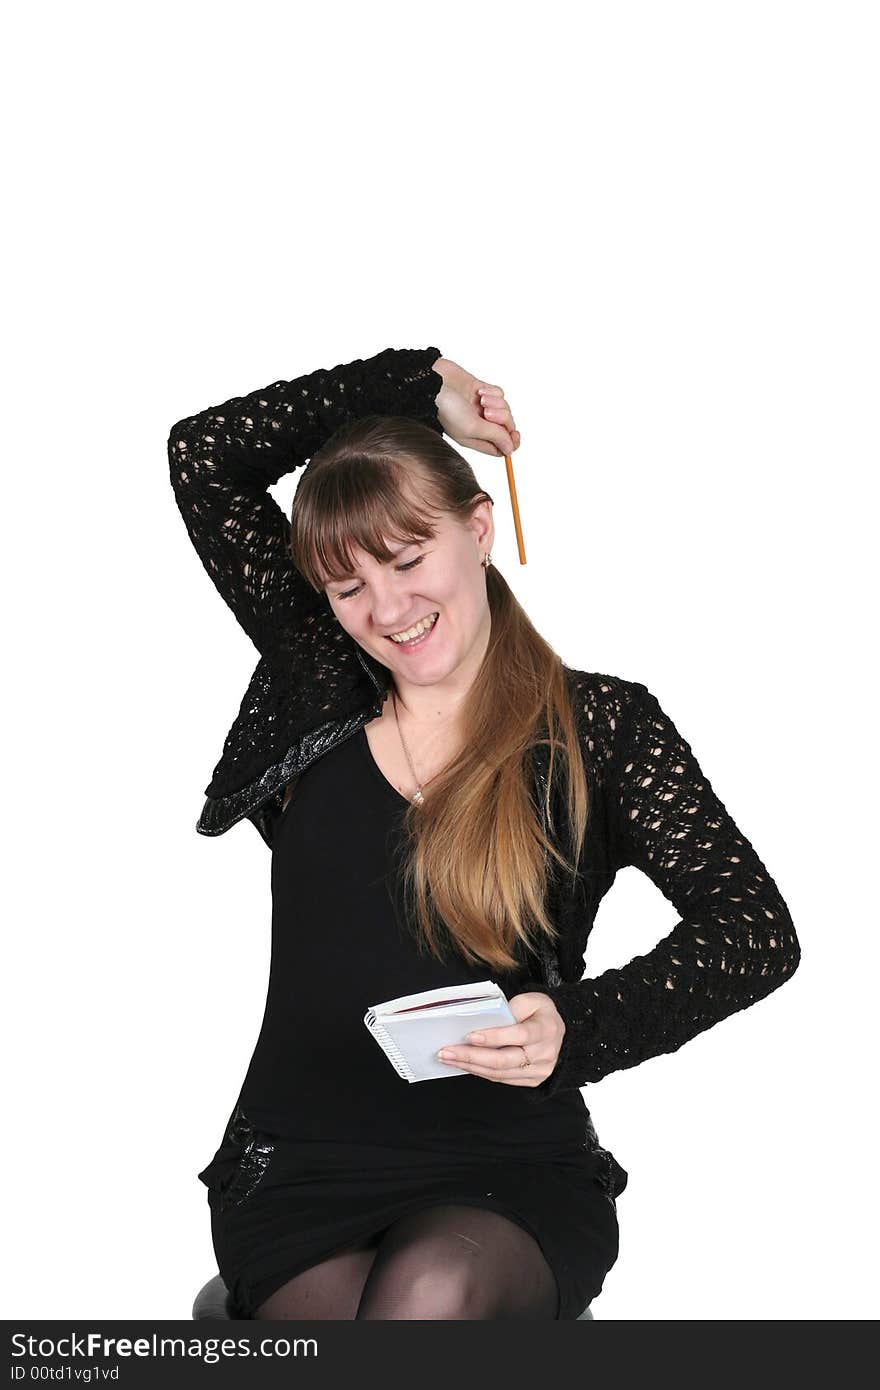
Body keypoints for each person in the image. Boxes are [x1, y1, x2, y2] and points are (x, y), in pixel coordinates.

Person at [168, 346, 801, 1321]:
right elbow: (204, 455)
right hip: (302, 1168)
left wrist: (578, 1027)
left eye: (410, 558)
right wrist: (419, 384)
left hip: (503, 1169)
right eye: (347, 588)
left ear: (479, 528)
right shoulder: (316, 684)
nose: (386, 609)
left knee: (432, 1292)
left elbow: (750, 930)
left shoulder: (600, 728)